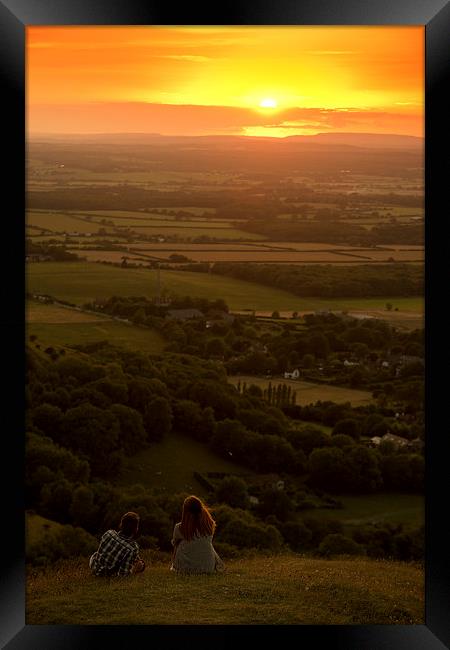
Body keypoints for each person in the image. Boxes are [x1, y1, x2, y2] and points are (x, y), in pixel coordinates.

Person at [171, 495, 224, 574]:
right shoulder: (209, 525)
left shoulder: (179, 528)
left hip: (185, 569)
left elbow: (175, 544)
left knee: (177, 543)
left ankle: (175, 565)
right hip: (208, 567)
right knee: (208, 545)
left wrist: (174, 561)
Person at [89, 511, 146, 577]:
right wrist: (135, 569)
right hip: (105, 574)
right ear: (136, 529)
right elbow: (123, 574)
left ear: (121, 524)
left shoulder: (109, 533)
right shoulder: (132, 547)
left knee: (95, 554)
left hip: (94, 567)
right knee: (140, 565)